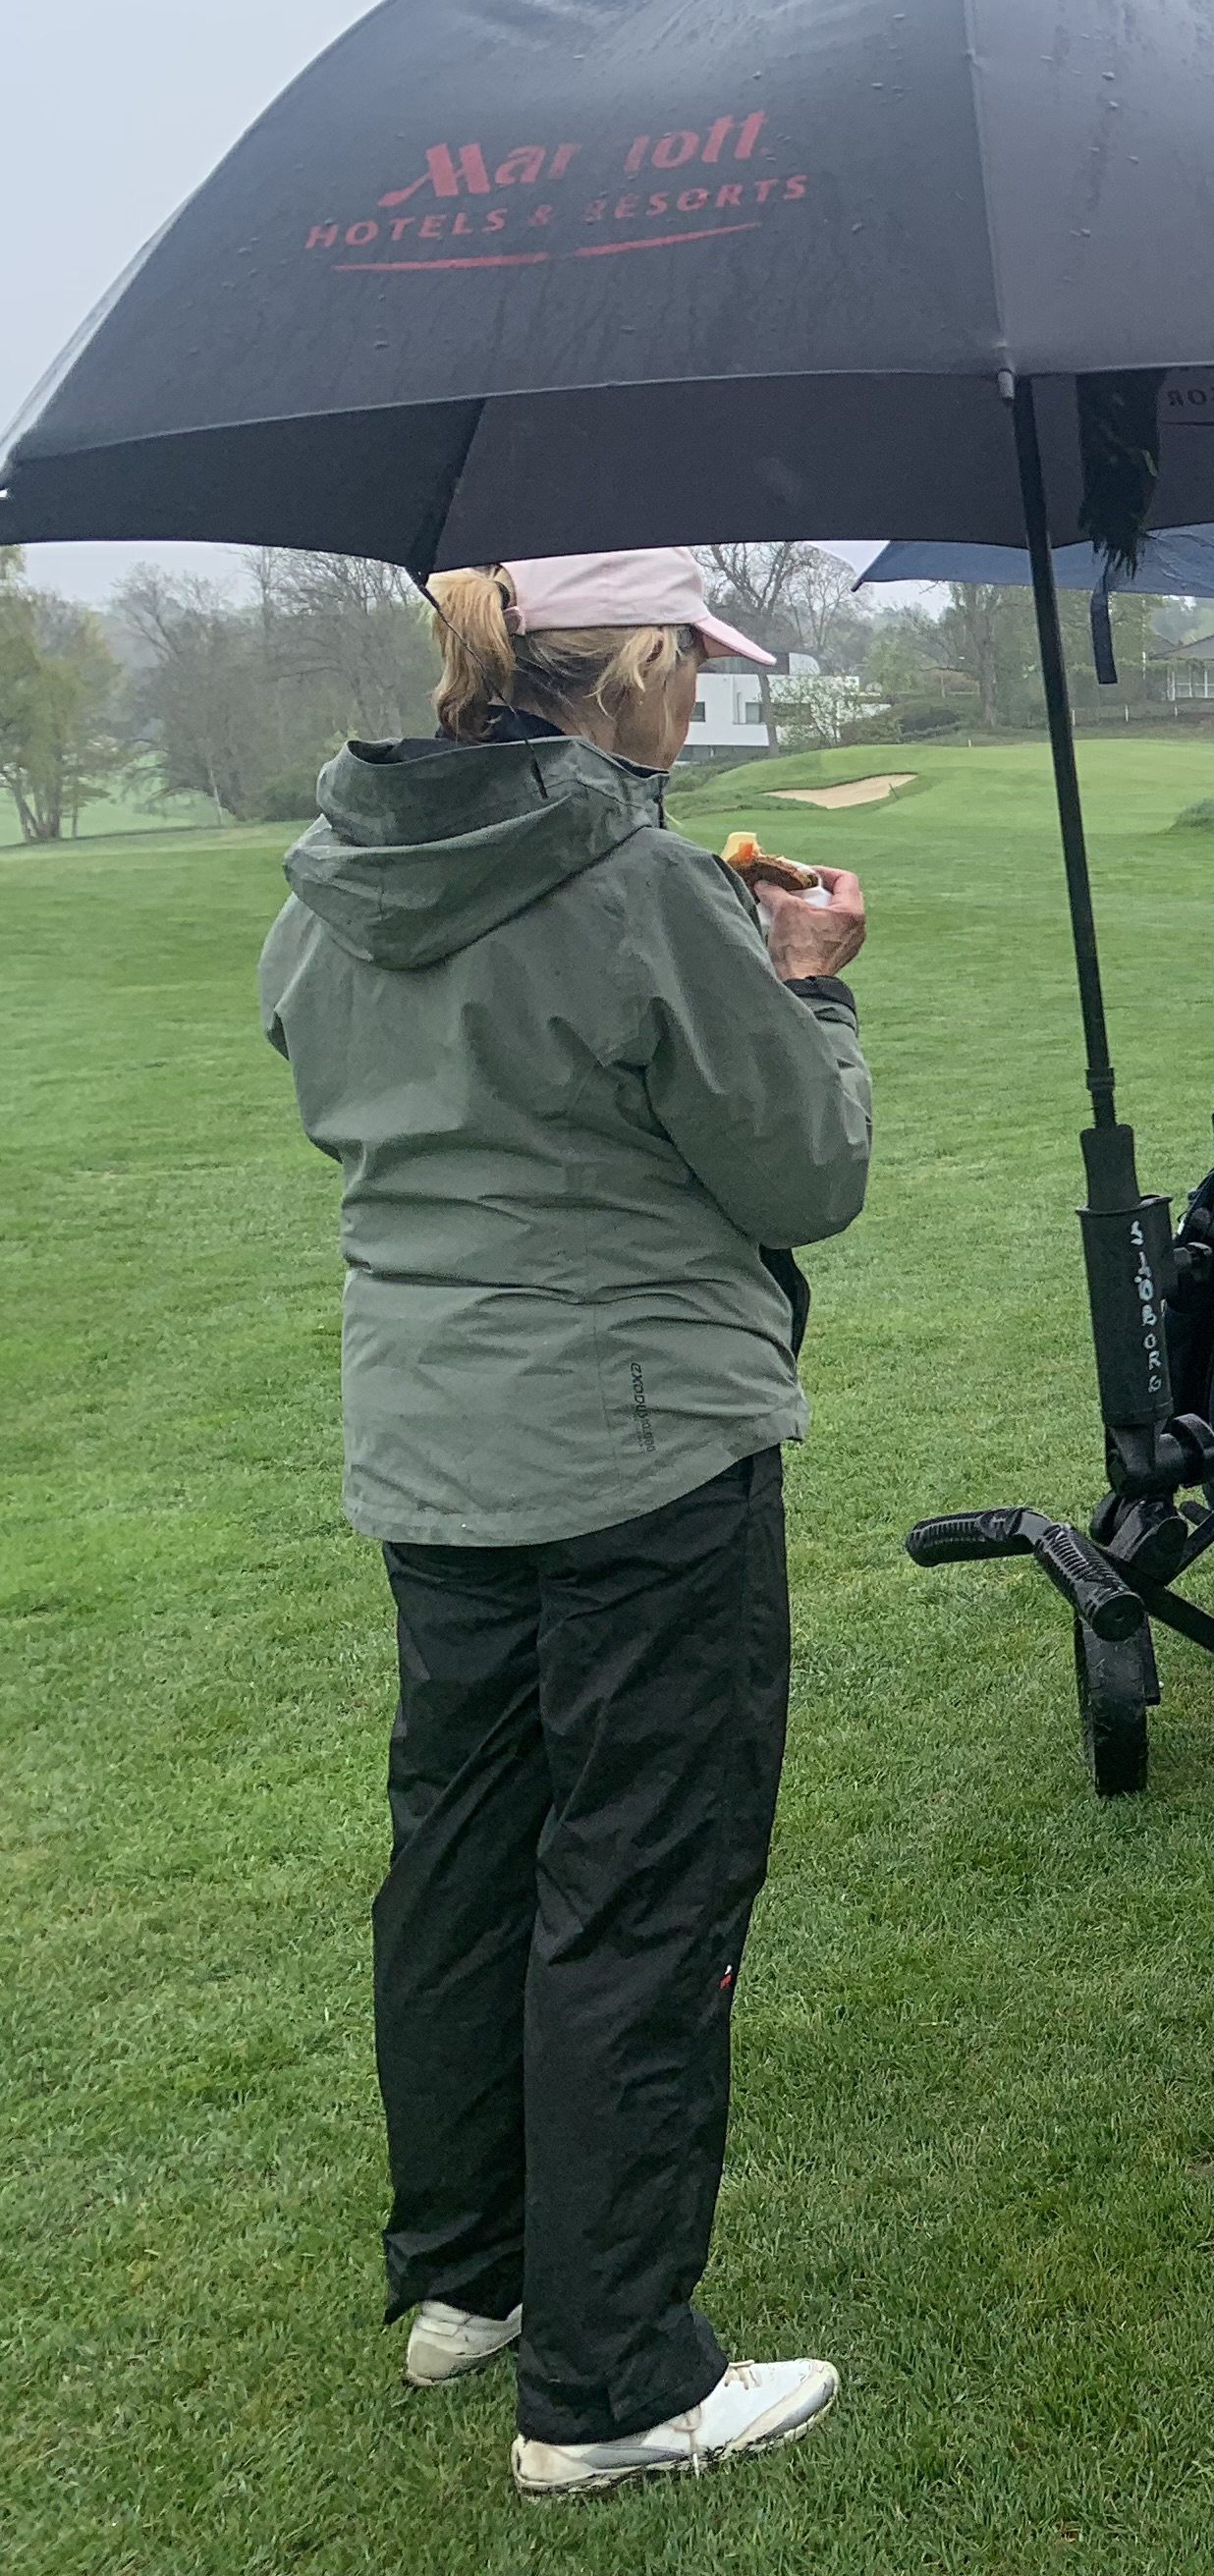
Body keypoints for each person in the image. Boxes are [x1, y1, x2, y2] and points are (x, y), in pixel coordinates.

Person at [259, 549, 872, 2497]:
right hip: (640, 1455)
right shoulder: (639, 879)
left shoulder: (337, 872)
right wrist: (809, 988)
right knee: (640, 1883)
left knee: (462, 1856)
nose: (697, 698)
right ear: (631, 671)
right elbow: (802, 1169)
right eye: (689, 665)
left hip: (438, 1448)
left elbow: (338, 1069)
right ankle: (611, 2379)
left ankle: (474, 2275)